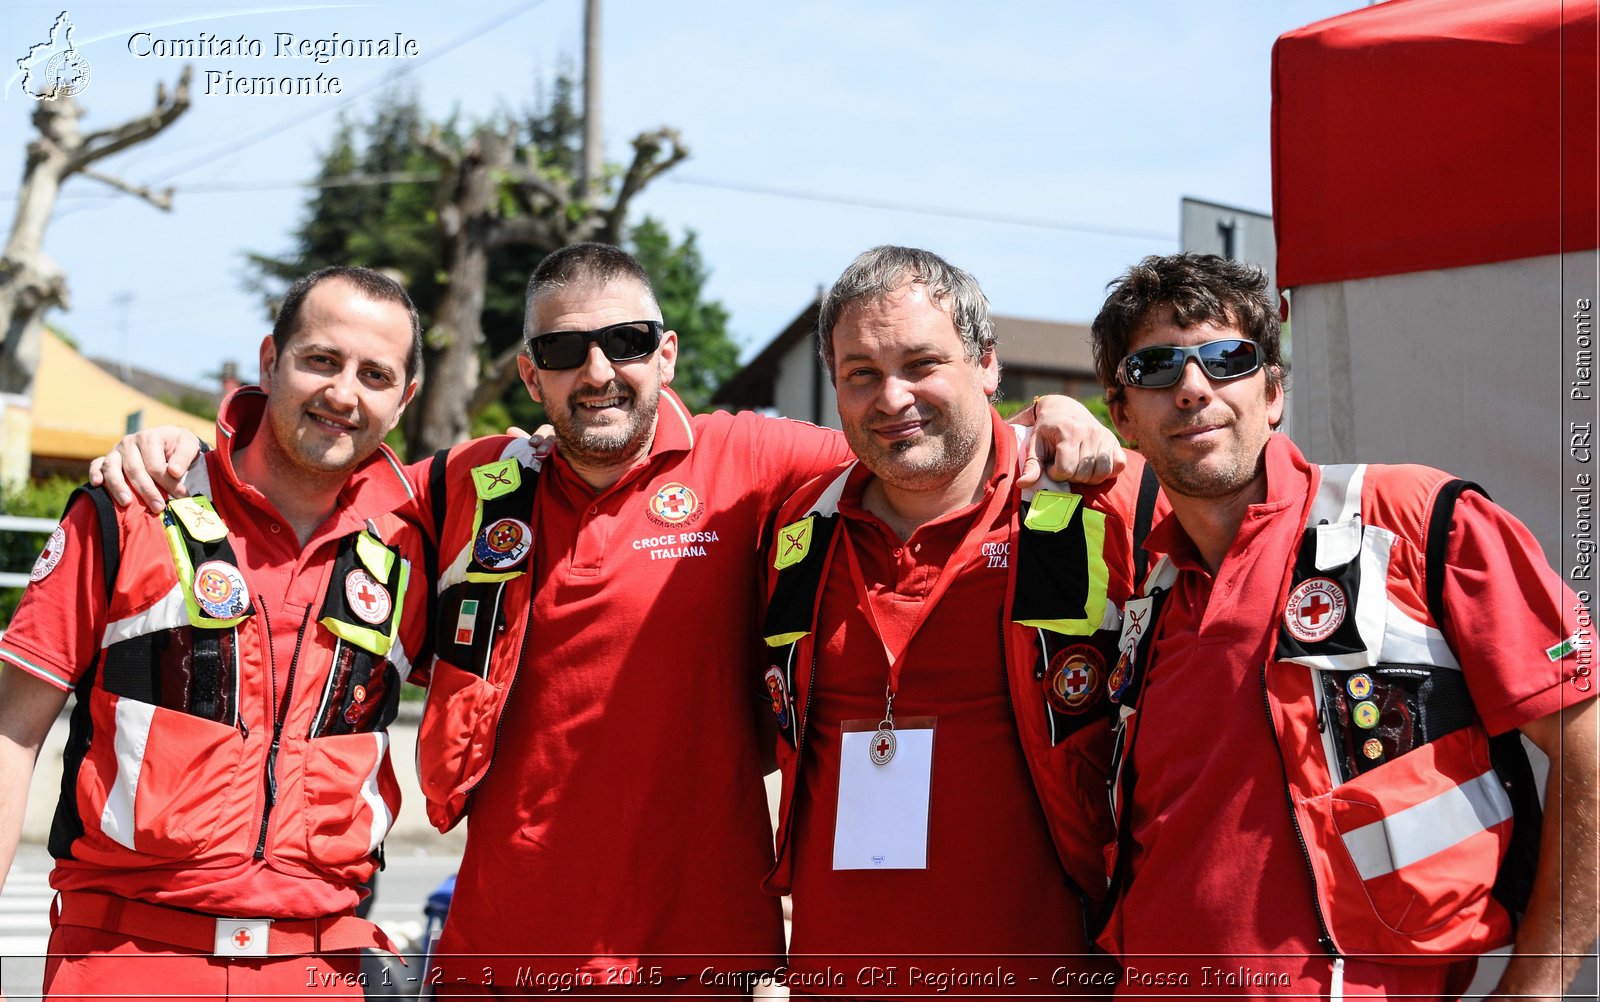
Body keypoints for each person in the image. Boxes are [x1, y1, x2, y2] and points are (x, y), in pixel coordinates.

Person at [92, 243, 1126, 996]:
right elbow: (308, 480)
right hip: (503, 954)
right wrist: (184, 444)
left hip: (701, 954)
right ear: (528, 372)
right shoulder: (464, 484)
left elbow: (920, 443)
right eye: (566, 349)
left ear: (666, 354)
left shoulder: (759, 465)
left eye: (626, 341)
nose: (600, 370)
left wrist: (1052, 418)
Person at [1090, 252, 1598, 999]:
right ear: (1123, 413)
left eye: (1227, 359)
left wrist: (1537, 986)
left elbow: (1588, 746)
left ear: (1272, 392)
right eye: (1157, 368)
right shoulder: (1145, 596)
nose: (1193, 389)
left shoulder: (1413, 517)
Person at [0, 266, 431, 1000]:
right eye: (320, 360)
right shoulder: (133, 505)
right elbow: (11, 731)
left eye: (374, 374)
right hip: (123, 958)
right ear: (270, 359)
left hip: (322, 969)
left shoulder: (417, 546)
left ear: (405, 398)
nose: (343, 393)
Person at [758, 246, 1144, 997]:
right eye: (861, 372)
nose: (892, 396)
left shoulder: (1094, 503)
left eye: (921, 363)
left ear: (988, 365)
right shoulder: (796, 530)